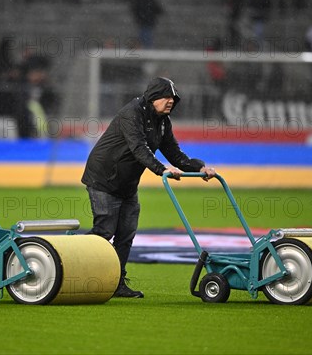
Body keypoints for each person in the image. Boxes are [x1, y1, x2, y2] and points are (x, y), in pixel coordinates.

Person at [81, 77, 217, 298]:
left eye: (174, 98)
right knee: (104, 231)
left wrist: (200, 167)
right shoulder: (131, 113)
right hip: (103, 178)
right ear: (153, 97)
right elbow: (138, 148)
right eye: (167, 97)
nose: (171, 101)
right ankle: (71, 265)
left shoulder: (163, 121)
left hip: (127, 184)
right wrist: (161, 169)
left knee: (126, 234)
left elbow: (175, 154)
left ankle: (116, 283)